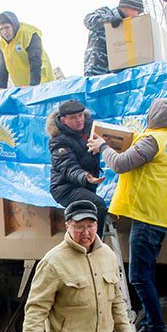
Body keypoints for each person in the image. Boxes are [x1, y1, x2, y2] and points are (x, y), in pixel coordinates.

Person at [88, 98, 167, 332]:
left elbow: (120, 164)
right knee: (146, 275)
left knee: (139, 277)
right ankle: (150, 327)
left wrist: (102, 146)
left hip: (145, 215)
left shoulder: (153, 140)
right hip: (159, 215)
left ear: (154, 115)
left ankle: (156, 329)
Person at [22, 200, 134, 332]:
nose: (86, 233)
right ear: (67, 226)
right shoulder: (53, 262)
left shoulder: (107, 255)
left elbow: (115, 297)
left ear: (97, 225)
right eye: (79, 227)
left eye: (90, 226)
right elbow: (36, 309)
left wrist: (125, 330)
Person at [48, 99, 108, 237]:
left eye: (80, 115)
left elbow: (114, 138)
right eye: (73, 118)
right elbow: (69, 167)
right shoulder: (58, 141)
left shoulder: (92, 128)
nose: (79, 120)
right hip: (65, 188)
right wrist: (86, 177)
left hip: (85, 185)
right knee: (97, 205)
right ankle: (93, 245)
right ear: (63, 120)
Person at [83, 0, 145, 76]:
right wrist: (108, 21)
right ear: (128, 7)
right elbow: (88, 20)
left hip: (117, 73)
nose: (137, 15)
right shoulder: (106, 12)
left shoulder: (129, 25)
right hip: (97, 70)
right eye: (137, 11)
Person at [0, 11, 55, 89]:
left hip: (43, 84)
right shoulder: (3, 44)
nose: (4, 32)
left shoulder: (29, 34)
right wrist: (0, 87)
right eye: (1, 29)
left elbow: (35, 60)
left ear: (14, 25)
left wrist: (33, 85)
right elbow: (2, 66)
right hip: (24, 88)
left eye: (7, 27)